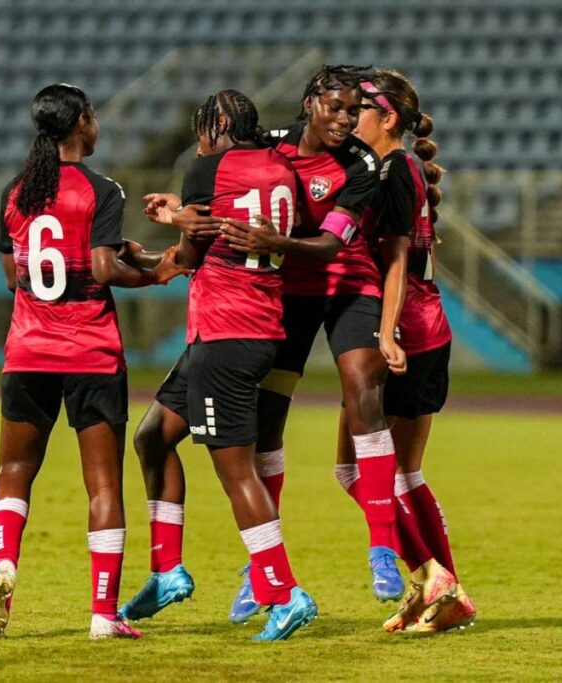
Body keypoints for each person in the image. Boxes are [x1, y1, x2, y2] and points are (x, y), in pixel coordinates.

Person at [0, 83, 187, 640]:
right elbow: (100, 267)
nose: (97, 126)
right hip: (91, 353)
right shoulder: (101, 190)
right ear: (80, 125)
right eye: (93, 117)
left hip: (27, 350)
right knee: (103, 488)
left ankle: (4, 565)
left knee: (14, 471)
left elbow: (12, 274)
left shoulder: (16, 191)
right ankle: (101, 615)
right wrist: (155, 273)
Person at [120, 89, 318, 641]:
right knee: (153, 436)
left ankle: (284, 591)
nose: (199, 138)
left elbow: (192, 254)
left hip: (227, 333)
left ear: (222, 123)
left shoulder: (209, 168)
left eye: (204, 126)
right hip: (251, 327)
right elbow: (212, 233)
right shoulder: (281, 168)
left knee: (237, 472)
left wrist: (159, 246)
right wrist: (176, 228)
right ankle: (166, 571)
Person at [219, 65, 405, 620]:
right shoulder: (268, 146)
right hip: (287, 296)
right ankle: (260, 569)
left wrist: (275, 240)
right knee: (267, 422)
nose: (345, 120)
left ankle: (383, 548)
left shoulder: (363, 165)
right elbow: (219, 171)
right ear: (308, 104)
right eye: (335, 108)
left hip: (348, 286)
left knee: (361, 390)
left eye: (353, 110)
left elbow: (328, 247)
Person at [348, 69, 476, 634]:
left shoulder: (395, 168)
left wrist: (385, 332)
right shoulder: (403, 168)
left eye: (361, 110)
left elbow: (397, 260)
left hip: (404, 332)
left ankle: (433, 579)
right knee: (404, 471)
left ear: (388, 118)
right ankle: (445, 593)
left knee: (357, 470)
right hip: (428, 327)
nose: (351, 119)